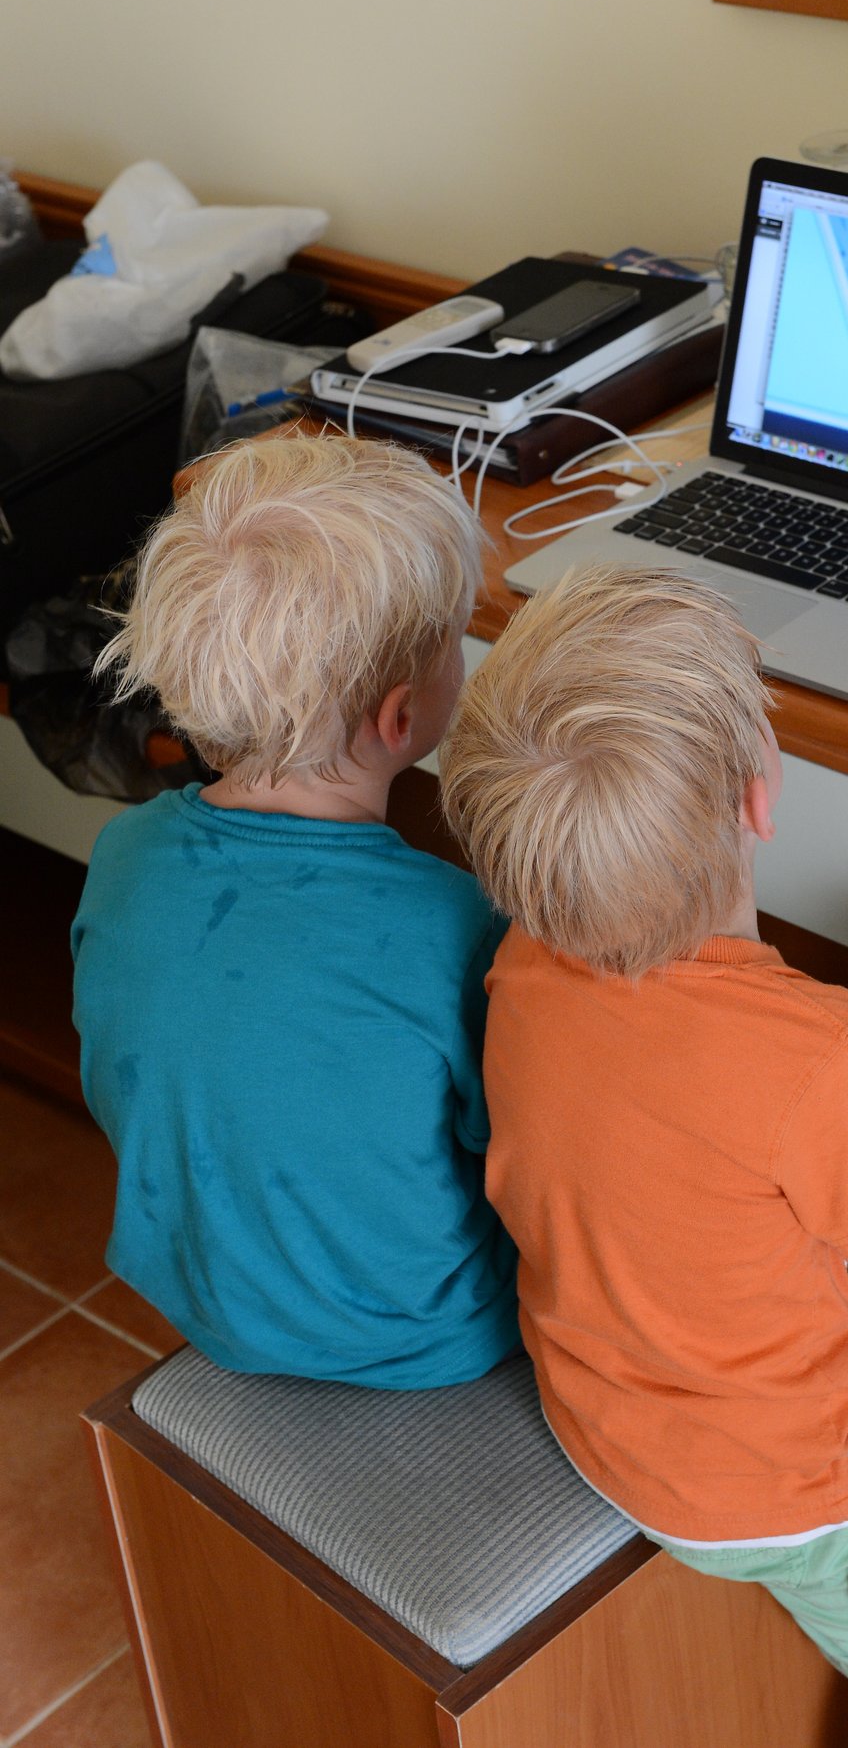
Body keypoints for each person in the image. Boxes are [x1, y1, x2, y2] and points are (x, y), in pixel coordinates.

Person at [439, 563, 848, 1746]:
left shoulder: (527, 963)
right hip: (781, 1478)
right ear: (760, 798)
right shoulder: (807, 1056)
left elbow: (701, 1099)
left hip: (610, 1413)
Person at [71, 431, 519, 1388]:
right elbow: (525, 1150)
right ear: (402, 719)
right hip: (428, 1334)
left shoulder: (123, 853)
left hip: (207, 1301)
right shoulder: (454, 925)